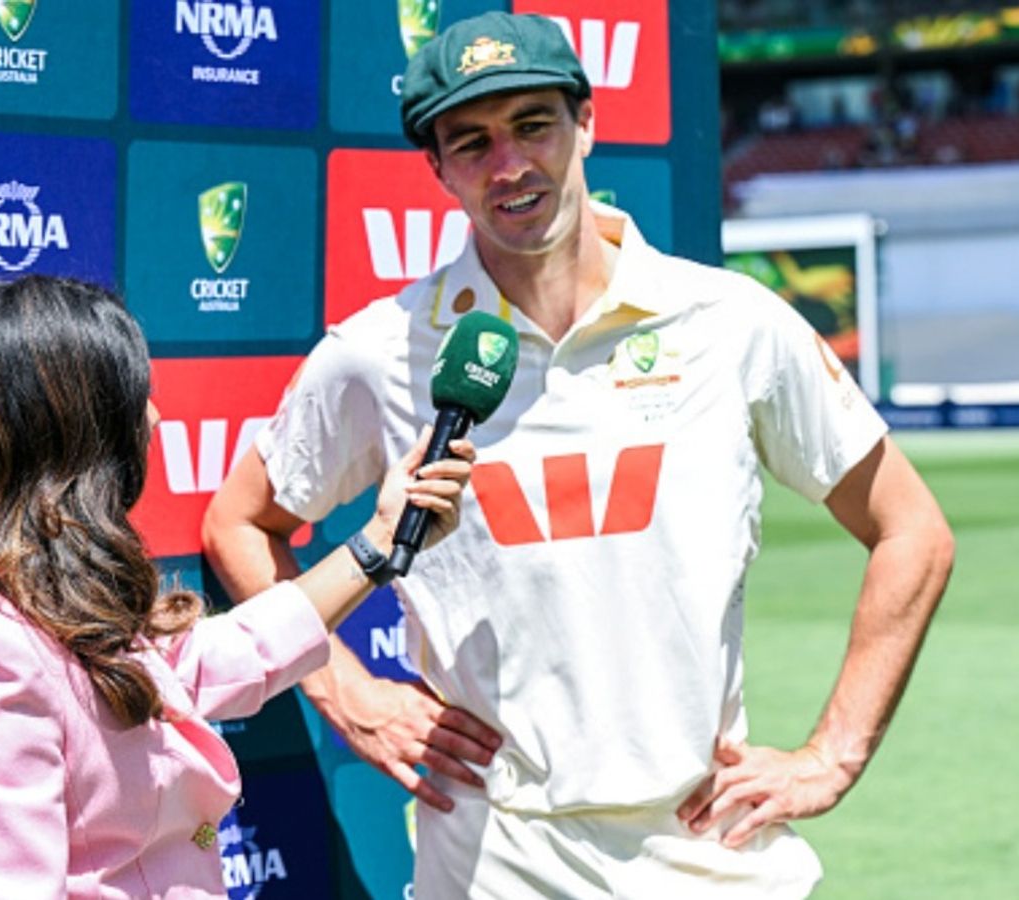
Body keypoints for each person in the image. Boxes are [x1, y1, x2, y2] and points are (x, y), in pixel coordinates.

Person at [203, 11, 955, 899]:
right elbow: (240, 521)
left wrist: (832, 755)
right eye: (471, 142)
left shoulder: (727, 320)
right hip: (494, 862)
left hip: (708, 852)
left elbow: (912, 532)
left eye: (533, 125)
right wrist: (349, 696)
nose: (510, 165)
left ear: (587, 122)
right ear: (438, 170)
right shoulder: (384, 349)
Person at [0, 275, 475, 899]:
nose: (154, 415)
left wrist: (380, 540)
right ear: (67, 430)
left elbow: (218, 658)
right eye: (131, 394)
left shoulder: (49, 600)